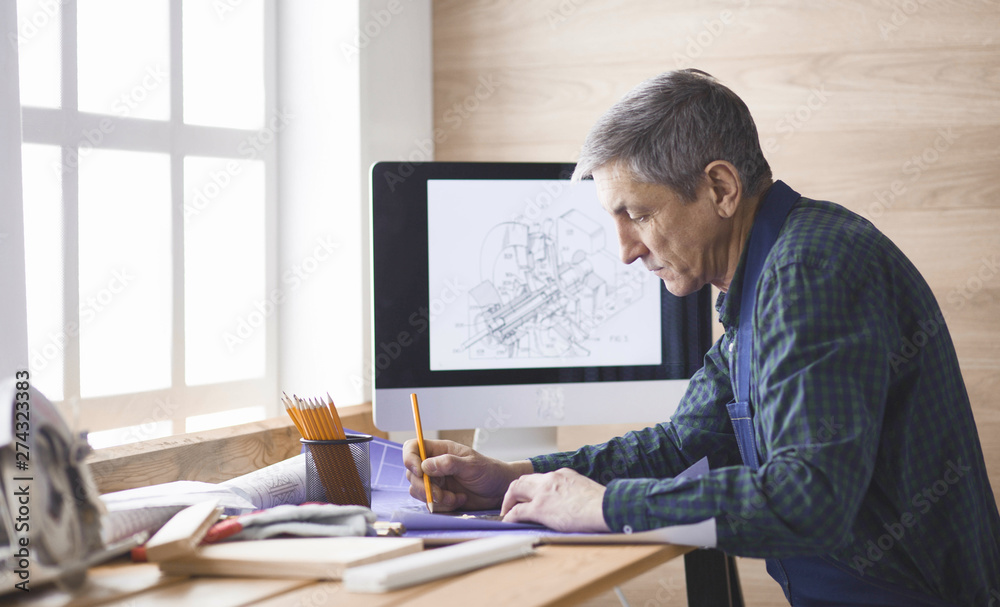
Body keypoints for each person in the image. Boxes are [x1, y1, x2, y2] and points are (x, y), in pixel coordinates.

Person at [402, 69, 1000, 606]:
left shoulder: (809, 272)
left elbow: (808, 498)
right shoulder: (761, 280)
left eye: (636, 215)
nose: (625, 252)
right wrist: (515, 476)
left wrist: (605, 508)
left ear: (720, 188)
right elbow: (684, 444)